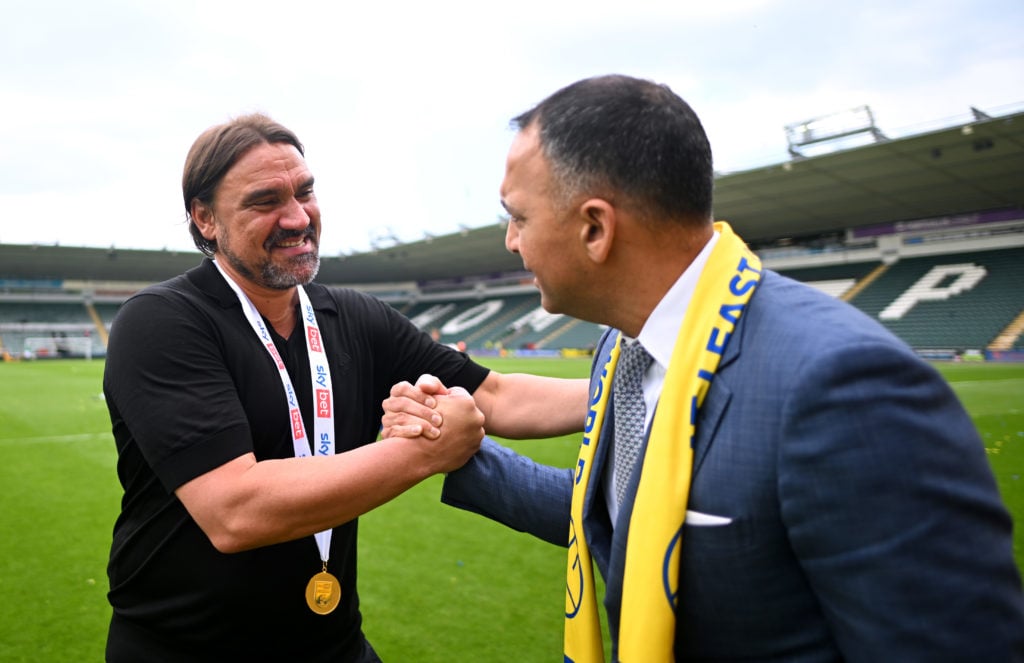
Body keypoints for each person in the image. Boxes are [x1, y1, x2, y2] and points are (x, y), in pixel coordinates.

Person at [385, 75, 1024, 661]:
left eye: (518, 217)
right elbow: (621, 515)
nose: (510, 241)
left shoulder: (843, 385)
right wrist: (458, 451)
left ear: (595, 229)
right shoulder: (624, 345)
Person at [102, 113, 588, 662]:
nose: (296, 217)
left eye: (305, 192)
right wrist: (426, 450)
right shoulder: (163, 322)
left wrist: (633, 385)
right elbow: (235, 510)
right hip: (184, 651)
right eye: (265, 201)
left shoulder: (355, 317)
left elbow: (495, 395)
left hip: (332, 644)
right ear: (205, 219)